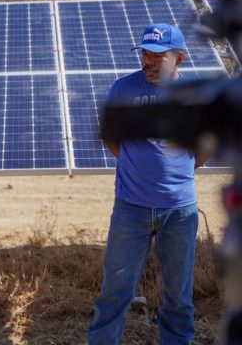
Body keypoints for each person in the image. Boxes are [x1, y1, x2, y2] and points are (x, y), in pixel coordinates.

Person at [88, 23, 207, 344]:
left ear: (178, 59)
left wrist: (174, 178)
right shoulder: (122, 90)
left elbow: (202, 151)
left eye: (158, 55)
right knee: (114, 291)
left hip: (179, 212)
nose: (149, 61)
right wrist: (139, 171)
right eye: (145, 54)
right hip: (131, 209)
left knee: (177, 295)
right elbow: (114, 142)